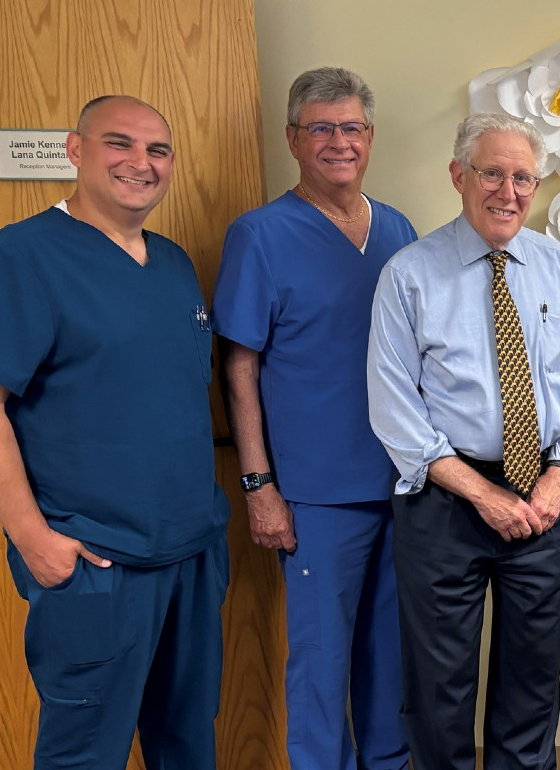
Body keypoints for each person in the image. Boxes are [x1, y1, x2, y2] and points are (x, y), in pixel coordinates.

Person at [0, 95, 230, 769]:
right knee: (85, 757)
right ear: (76, 150)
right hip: (97, 562)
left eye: (158, 150)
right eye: (119, 144)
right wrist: (33, 539)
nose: (141, 163)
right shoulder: (21, 257)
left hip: (188, 553)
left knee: (188, 747)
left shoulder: (173, 264)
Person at [366, 112, 560, 770]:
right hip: (444, 500)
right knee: (439, 684)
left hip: (544, 495)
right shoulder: (409, 275)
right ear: (458, 176)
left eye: (523, 176)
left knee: (533, 676)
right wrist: (481, 494)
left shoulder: (557, 266)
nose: (509, 190)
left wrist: (556, 479)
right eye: (492, 172)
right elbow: (394, 405)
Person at [212, 67, 414, 769]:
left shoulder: (396, 230)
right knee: (322, 668)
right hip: (316, 492)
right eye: (321, 128)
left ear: (370, 137)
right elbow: (238, 366)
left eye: (351, 127)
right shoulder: (260, 235)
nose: (338, 142)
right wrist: (258, 483)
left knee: (391, 668)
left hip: (404, 484)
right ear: (293, 139)